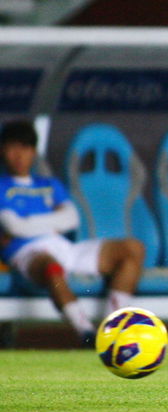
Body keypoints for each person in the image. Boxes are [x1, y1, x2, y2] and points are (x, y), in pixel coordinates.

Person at [0, 120, 145, 346]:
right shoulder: (2, 186)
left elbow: (71, 219)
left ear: (33, 152)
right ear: (3, 150)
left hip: (64, 247)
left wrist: (28, 223)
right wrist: (51, 221)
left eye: (25, 148)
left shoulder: (48, 183)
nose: (19, 155)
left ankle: (114, 329)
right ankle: (86, 333)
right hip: (27, 253)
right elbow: (13, 227)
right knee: (52, 267)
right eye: (12, 147)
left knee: (132, 249)